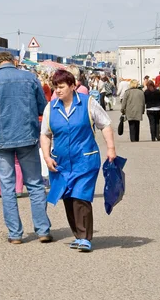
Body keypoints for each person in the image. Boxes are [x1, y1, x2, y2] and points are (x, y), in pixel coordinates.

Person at [0, 52, 52, 244]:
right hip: (28, 137)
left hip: (1, 139)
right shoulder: (30, 78)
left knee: (8, 187)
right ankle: (43, 230)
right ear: (14, 62)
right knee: (34, 184)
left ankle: (15, 234)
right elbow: (44, 108)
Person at [40, 69, 117, 252]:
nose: (57, 91)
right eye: (55, 87)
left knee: (80, 196)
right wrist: (46, 156)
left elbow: (105, 124)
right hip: (62, 162)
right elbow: (45, 134)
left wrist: (111, 148)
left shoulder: (88, 103)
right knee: (67, 197)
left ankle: (84, 237)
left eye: (61, 87)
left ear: (73, 86)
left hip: (86, 159)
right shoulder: (51, 107)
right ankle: (78, 235)